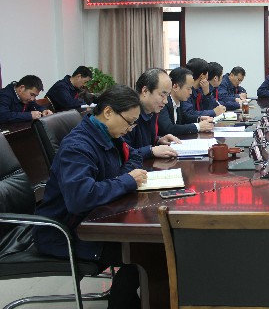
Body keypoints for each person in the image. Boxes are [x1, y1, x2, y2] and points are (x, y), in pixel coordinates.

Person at [33, 84, 148, 309]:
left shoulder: (106, 133)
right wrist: (125, 181)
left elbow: (133, 155)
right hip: (64, 233)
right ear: (108, 112)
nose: (130, 129)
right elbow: (81, 198)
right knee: (144, 250)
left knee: (144, 246)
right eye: (129, 122)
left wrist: (122, 178)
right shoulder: (77, 146)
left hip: (93, 218)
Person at [123, 68, 179, 159]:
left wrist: (158, 140)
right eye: (162, 95)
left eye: (167, 95)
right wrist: (150, 151)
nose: (166, 101)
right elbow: (123, 154)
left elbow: (142, 143)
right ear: (145, 91)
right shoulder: (127, 114)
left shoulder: (152, 112)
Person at [158, 67, 214, 136]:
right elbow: (168, 128)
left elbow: (184, 118)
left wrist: (199, 119)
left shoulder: (179, 101)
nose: (191, 92)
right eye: (188, 88)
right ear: (175, 87)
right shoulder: (163, 103)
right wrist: (198, 127)